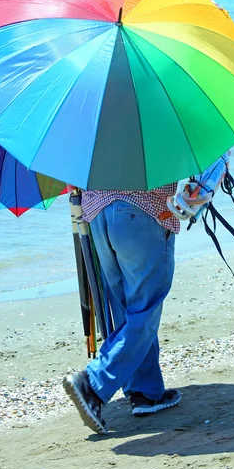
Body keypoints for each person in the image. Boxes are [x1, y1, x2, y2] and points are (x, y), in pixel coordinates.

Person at [63, 184, 183, 434]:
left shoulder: (93, 141)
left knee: (125, 310)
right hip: (142, 211)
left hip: (97, 214)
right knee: (144, 311)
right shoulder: (149, 140)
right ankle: (94, 383)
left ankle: (145, 392)